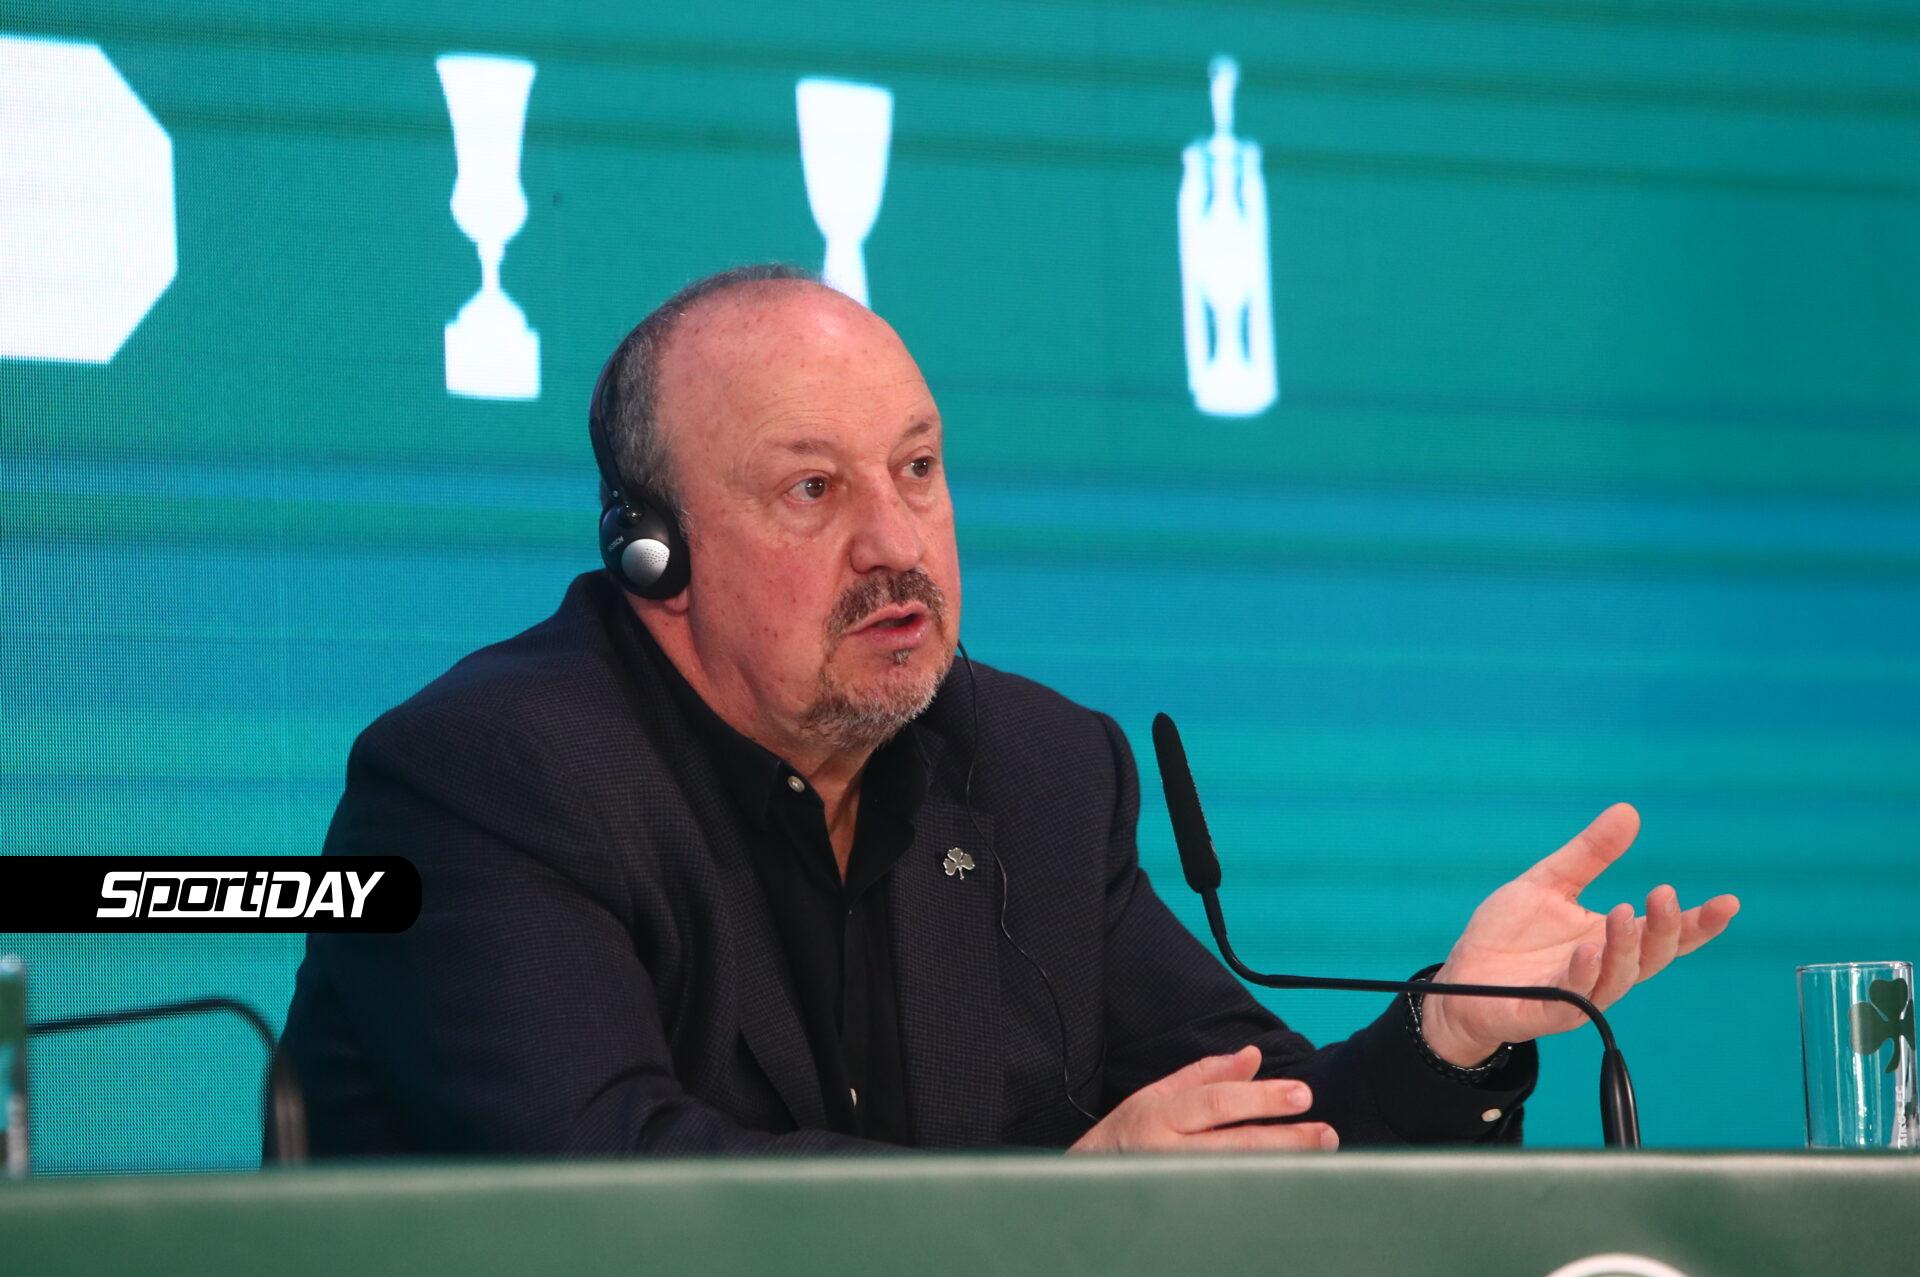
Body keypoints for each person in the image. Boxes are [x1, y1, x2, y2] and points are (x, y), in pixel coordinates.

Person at [280, 264, 1740, 1156]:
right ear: (653, 553)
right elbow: (611, 1185)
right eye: (814, 489)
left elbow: (1261, 1124)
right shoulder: (481, 782)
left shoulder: (1035, 768)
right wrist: (1059, 1214)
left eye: (918, 469)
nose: (895, 543)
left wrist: (1448, 1033)